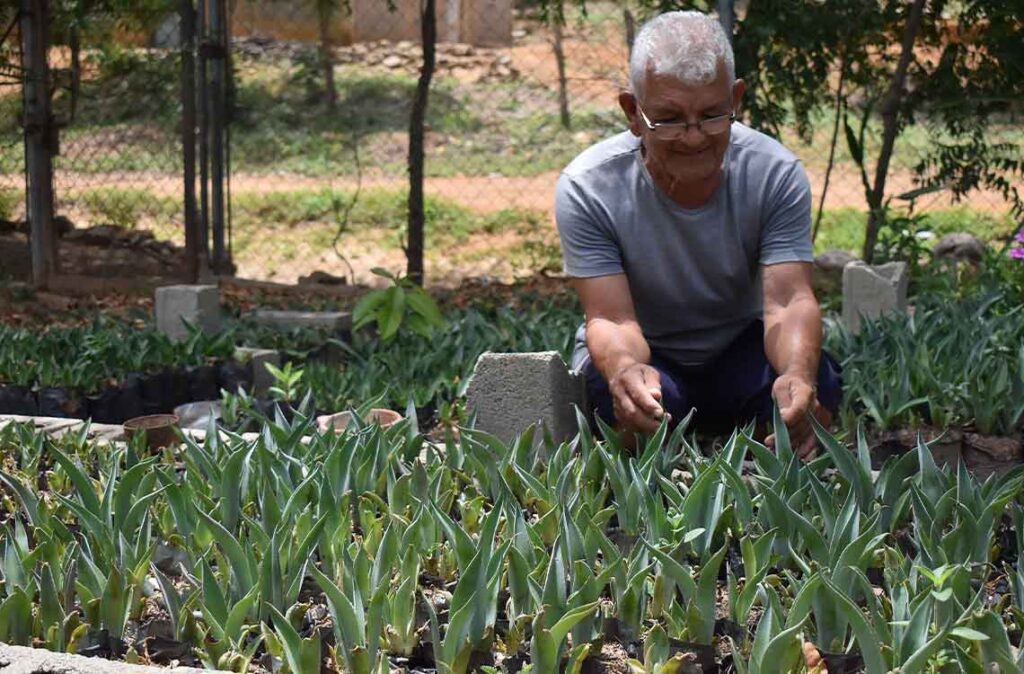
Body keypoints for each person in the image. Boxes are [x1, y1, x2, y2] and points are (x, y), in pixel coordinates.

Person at [555, 10, 842, 459]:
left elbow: (787, 302)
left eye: (711, 115)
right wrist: (627, 370)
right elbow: (612, 319)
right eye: (668, 119)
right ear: (633, 112)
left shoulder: (775, 173)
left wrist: (797, 375)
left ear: (737, 100)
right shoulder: (589, 186)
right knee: (630, 405)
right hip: (652, 356)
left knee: (814, 388)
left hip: (742, 350)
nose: (693, 138)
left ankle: (780, 426)